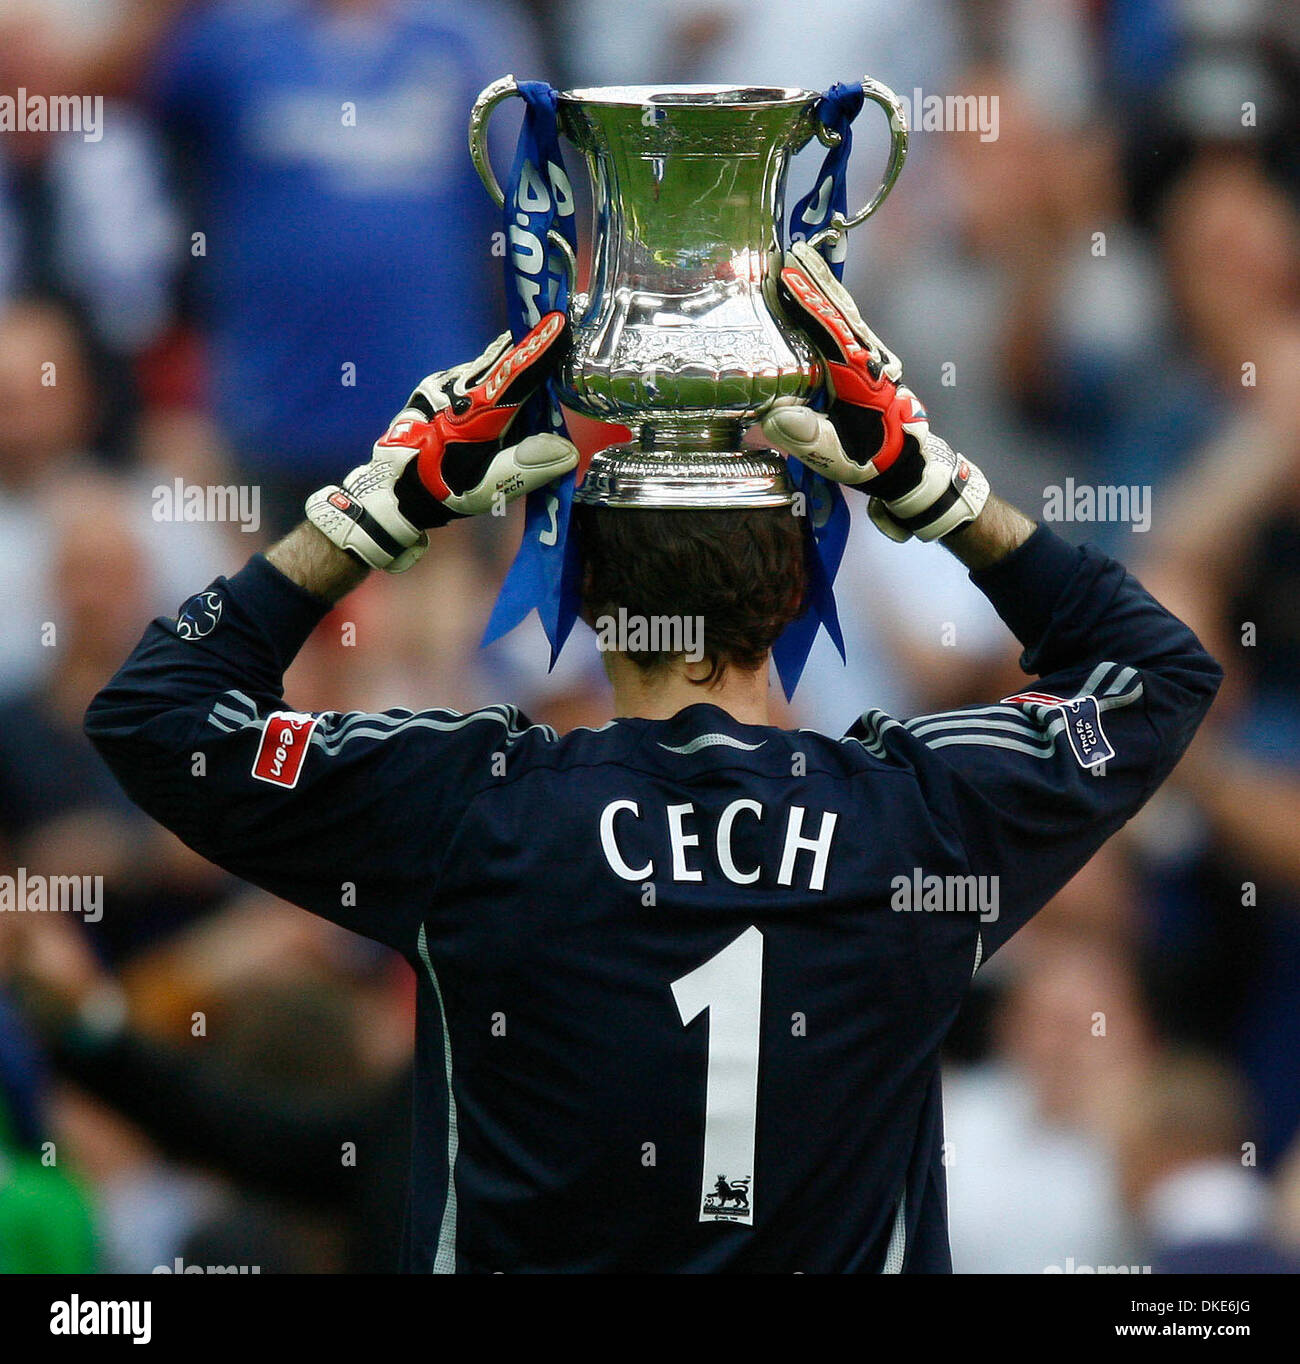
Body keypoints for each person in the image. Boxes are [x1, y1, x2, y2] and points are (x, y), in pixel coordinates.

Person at [84, 246, 1221, 1272]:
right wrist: (936, 488)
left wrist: (383, 505)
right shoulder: (919, 819)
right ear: (794, 595)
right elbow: (1158, 671)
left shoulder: (476, 810)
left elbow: (158, 713)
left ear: (578, 598)